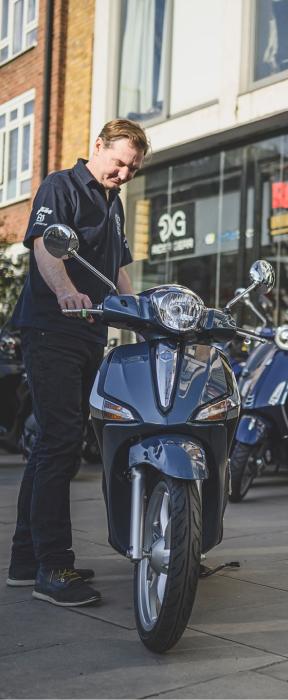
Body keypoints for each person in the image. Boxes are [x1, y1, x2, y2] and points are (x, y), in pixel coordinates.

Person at [6, 119, 149, 607]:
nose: (123, 172)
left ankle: (27, 561)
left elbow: (119, 268)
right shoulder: (61, 186)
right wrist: (67, 293)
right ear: (97, 147)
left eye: (132, 167)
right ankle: (54, 566)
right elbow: (48, 245)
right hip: (52, 329)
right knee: (61, 443)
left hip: (90, 333)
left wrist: (141, 315)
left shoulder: (114, 203)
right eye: (118, 161)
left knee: (54, 443)